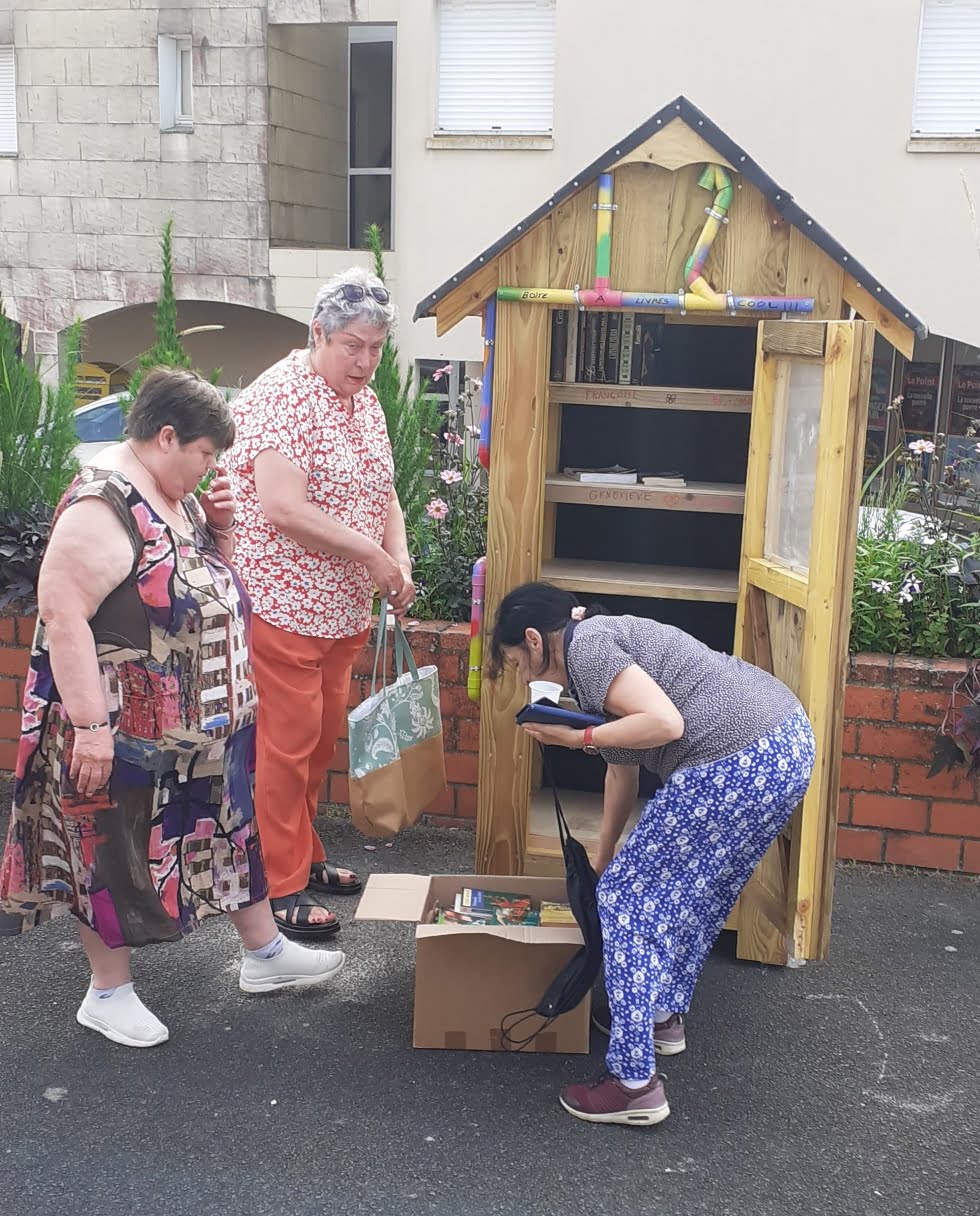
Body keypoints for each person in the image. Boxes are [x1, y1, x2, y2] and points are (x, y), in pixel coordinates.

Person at [0, 368, 346, 1049]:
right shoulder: (102, 506)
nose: (211, 469)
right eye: (206, 455)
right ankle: (107, 992)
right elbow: (62, 614)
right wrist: (93, 732)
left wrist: (221, 525)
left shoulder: (170, 491)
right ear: (166, 437)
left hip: (195, 727)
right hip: (120, 729)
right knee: (106, 849)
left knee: (227, 830)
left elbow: (202, 580)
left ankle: (265, 954)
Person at [488, 582, 815, 1126]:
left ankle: (633, 1084)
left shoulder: (587, 647)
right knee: (695, 897)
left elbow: (666, 725)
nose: (524, 676)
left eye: (519, 661)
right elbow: (626, 760)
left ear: (535, 640)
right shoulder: (598, 644)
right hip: (783, 748)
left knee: (626, 904)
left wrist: (575, 742)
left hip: (734, 760)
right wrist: (604, 850)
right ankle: (660, 1016)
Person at [225, 267, 415, 941]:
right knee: (286, 743)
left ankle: (304, 854)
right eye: (352, 346)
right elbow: (281, 505)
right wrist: (371, 555)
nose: (365, 361)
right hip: (281, 600)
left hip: (341, 608)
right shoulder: (285, 394)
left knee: (319, 739)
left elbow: (385, 490)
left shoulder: (365, 402)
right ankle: (277, 884)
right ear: (319, 334)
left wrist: (400, 554)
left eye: (375, 346)